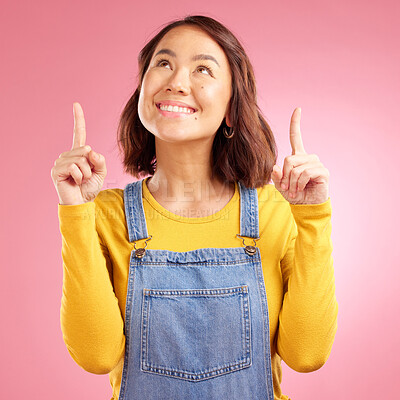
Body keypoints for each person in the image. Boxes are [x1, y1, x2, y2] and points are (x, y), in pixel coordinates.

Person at [51, 15, 338, 400]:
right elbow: (97, 356)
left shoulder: (277, 211)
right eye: (164, 63)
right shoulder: (104, 214)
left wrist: (314, 215)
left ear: (232, 109)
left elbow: (306, 354)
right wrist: (75, 212)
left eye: (202, 68)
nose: (177, 81)